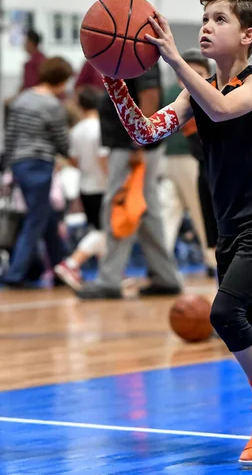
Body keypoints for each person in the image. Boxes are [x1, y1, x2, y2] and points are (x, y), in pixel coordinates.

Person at [100, 0, 252, 467]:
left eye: (220, 19)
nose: (206, 25)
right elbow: (146, 131)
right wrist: (114, 78)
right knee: (246, 323)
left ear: (247, 35)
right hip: (231, 225)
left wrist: (171, 59)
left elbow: (223, 108)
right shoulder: (197, 91)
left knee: (225, 314)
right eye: (205, 17)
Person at [77, 63, 182, 300]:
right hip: (133, 145)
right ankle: (166, 277)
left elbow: (150, 94)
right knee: (146, 210)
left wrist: (139, 141)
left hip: (132, 146)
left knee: (120, 206)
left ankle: (109, 280)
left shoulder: (138, 50)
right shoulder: (131, 52)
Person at [1, 57, 72, 287]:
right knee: (36, 219)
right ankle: (15, 273)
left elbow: (9, 136)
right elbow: (62, 141)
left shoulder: (20, 99)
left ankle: (61, 266)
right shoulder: (52, 104)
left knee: (46, 215)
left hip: (20, 164)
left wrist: (7, 166)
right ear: (61, 81)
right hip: (40, 163)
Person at [162, 48, 217, 275]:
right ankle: (210, 259)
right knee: (185, 211)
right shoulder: (183, 96)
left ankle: (212, 259)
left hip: (189, 161)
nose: (194, 76)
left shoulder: (214, 97)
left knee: (175, 211)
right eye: (189, 72)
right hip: (183, 160)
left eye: (199, 72)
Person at [54, 87, 108, 290]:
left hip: (84, 186)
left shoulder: (76, 130)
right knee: (104, 231)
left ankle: (109, 273)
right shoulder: (100, 127)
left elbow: (73, 160)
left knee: (98, 228)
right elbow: (104, 158)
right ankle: (71, 263)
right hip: (102, 185)